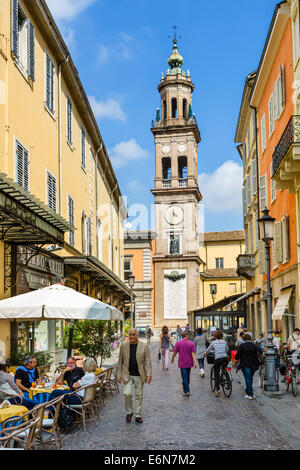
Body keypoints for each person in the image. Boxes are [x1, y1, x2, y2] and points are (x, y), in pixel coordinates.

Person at [117, 329, 152, 424]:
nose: (131, 336)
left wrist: (149, 375)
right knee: (127, 394)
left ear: (137, 335)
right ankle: (129, 412)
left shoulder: (144, 346)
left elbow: (148, 361)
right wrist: (119, 375)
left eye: (133, 335)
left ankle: (137, 414)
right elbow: (120, 361)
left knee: (138, 395)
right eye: (130, 335)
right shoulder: (124, 346)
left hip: (139, 375)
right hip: (127, 374)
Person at [234, 334, 260, 400]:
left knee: (248, 378)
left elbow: (237, 356)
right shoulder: (254, 345)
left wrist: (235, 363)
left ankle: (250, 394)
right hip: (254, 364)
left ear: (243, 339)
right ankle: (248, 391)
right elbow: (260, 351)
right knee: (250, 378)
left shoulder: (242, 345)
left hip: (245, 364)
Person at [171, 331, 197, 396]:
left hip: (182, 363)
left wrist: (172, 359)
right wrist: (195, 362)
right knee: (187, 377)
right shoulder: (191, 343)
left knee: (184, 377)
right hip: (189, 362)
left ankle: (187, 390)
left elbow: (174, 353)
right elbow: (193, 354)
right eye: (188, 335)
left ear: (182, 336)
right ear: (186, 336)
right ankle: (185, 389)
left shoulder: (178, 343)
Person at [205, 330, 229, 397]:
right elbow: (227, 350)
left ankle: (217, 389)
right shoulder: (224, 342)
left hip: (217, 358)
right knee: (225, 369)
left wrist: (206, 354)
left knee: (216, 373)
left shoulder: (213, 342)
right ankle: (228, 380)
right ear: (222, 336)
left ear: (215, 336)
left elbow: (208, 350)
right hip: (225, 358)